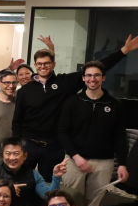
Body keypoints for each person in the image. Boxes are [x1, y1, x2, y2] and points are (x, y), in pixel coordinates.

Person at [12, 35, 138, 181]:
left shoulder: (65, 83)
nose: (43, 66)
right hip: (28, 145)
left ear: (53, 64)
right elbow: (17, 121)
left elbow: (98, 67)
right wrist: (17, 146)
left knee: (50, 185)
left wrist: (124, 50)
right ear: (35, 65)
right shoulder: (25, 91)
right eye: (39, 64)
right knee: (22, 181)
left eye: (46, 63)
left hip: (54, 147)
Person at [58, 60, 128, 206]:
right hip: (74, 161)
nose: (92, 79)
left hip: (103, 163)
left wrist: (122, 164)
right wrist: (76, 157)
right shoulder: (72, 102)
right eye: (88, 75)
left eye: (97, 75)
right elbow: (62, 132)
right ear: (83, 78)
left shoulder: (115, 105)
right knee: (71, 203)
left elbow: (120, 137)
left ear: (103, 78)